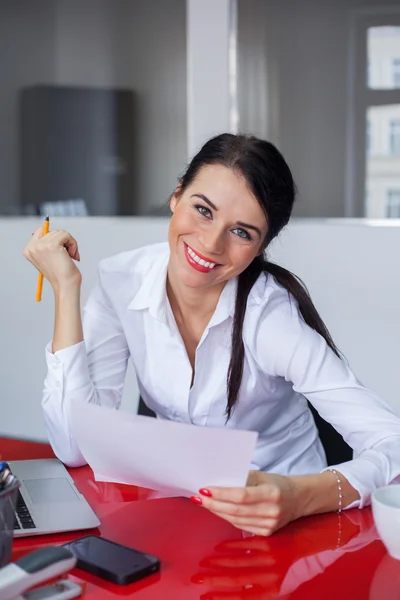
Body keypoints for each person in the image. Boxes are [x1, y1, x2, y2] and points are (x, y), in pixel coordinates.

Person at [24, 133, 400, 537]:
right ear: (176, 196)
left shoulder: (269, 319)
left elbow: (391, 444)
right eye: (203, 210)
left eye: (242, 232)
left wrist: (299, 495)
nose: (211, 242)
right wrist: (65, 290)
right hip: (180, 515)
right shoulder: (122, 282)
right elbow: (73, 446)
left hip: (288, 526)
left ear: (260, 248)